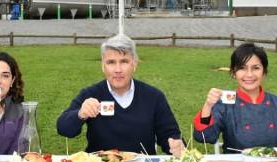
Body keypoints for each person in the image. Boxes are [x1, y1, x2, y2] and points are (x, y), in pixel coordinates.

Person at [56, 34, 184, 155]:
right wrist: (80, 114)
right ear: (103, 66)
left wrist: (177, 145)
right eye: (111, 62)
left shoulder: (154, 96)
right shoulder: (91, 94)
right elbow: (64, 129)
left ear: (134, 64)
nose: (118, 70)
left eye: (124, 61)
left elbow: (170, 135)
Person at [193, 43, 277, 153]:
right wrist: (208, 105)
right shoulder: (226, 103)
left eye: (256, 68)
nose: (249, 75)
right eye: (242, 68)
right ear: (233, 73)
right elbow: (204, 137)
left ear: (264, 72)